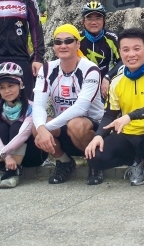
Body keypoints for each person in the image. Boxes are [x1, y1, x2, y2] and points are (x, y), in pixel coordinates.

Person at [85, 28, 144, 191]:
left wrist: (130, 116)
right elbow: (109, 114)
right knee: (94, 157)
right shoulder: (116, 81)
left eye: (136, 49)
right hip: (128, 137)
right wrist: (98, 135)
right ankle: (135, 161)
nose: (131, 54)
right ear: (120, 52)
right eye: (125, 50)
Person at [32, 24, 104, 185]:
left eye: (68, 41)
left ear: (78, 44)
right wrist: (41, 129)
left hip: (91, 126)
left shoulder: (90, 69)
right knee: (35, 125)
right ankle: (64, 162)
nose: (63, 45)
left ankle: (95, 163)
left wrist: (45, 129)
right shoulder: (47, 68)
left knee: (75, 124)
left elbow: (80, 108)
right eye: (58, 42)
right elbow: (38, 105)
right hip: (64, 124)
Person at [0, 62, 46, 189]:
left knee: (16, 126)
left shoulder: (31, 107)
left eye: (11, 85)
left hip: (31, 154)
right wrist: (6, 156)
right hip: (4, 157)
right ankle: (1, 171)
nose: (7, 91)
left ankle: (14, 172)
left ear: (21, 85)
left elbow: (23, 135)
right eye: (2, 87)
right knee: (1, 127)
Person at [79, 1, 121, 95]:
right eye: (89, 18)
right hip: (83, 87)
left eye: (98, 18)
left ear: (104, 20)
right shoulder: (77, 39)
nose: (94, 22)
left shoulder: (112, 38)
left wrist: (108, 77)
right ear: (83, 21)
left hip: (107, 86)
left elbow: (123, 61)